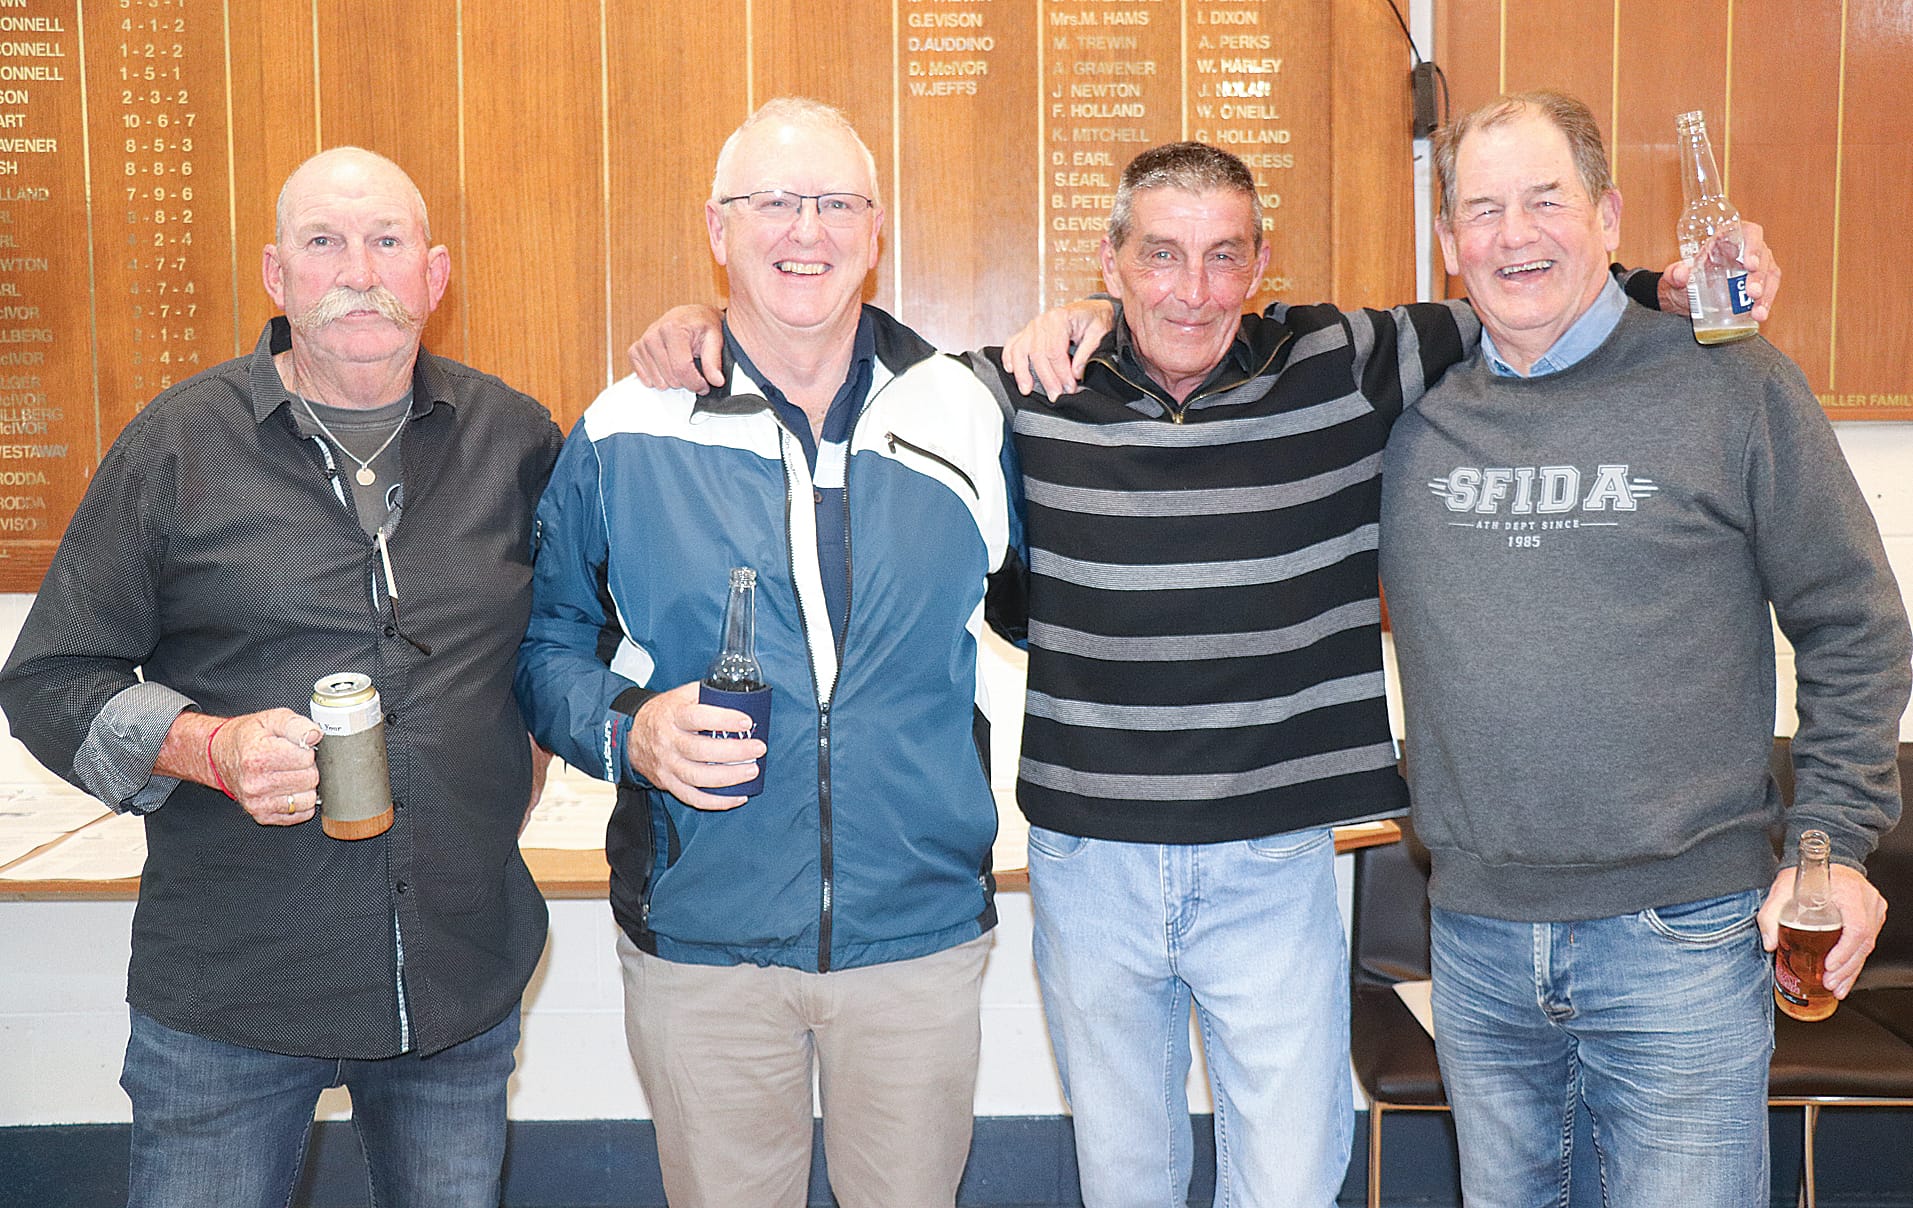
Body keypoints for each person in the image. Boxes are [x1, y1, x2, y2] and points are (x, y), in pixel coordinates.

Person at [630, 138, 1781, 1207]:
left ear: (1258, 264)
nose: (1191, 289)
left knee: (1287, 1177)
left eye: (1222, 255)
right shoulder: (1016, 387)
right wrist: (703, 326)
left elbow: (1523, 290)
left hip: (1270, 863)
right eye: (1161, 255)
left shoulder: (1344, 361)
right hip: (1091, 864)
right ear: (1110, 259)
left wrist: (1659, 289)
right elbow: (828, 360)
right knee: (1126, 1177)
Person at [0, 148, 562, 1207]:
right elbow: (50, 674)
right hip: (232, 992)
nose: (361, 270)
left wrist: (508, 761)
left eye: (388, 242)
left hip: (454, 977)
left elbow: (568, 641)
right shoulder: (178, 445)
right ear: (276, 274)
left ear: (434, 275)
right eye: (325, 243)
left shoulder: (516, 438)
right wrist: (202, 746)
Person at [1379, 90, 1909, 1206]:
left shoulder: (1731, 383)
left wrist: (1835, 844)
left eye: (1543, 200)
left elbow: (1851, 619)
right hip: (1474, 937)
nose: (1511, 234)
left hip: (1683, 936)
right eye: (1480, 208)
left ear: (1609, 216)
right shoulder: (1408, 415)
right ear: (1444, 244)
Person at [514, 98, 1023, 1208]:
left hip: (916, 936)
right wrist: (624, 729)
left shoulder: (964, 412)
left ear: (876, 227)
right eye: (773, 203)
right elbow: (547, 642)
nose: (807, 230)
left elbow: (1049, 600)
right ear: (717, 228)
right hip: (705, 943)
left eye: (836, 202)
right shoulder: (625, 426)